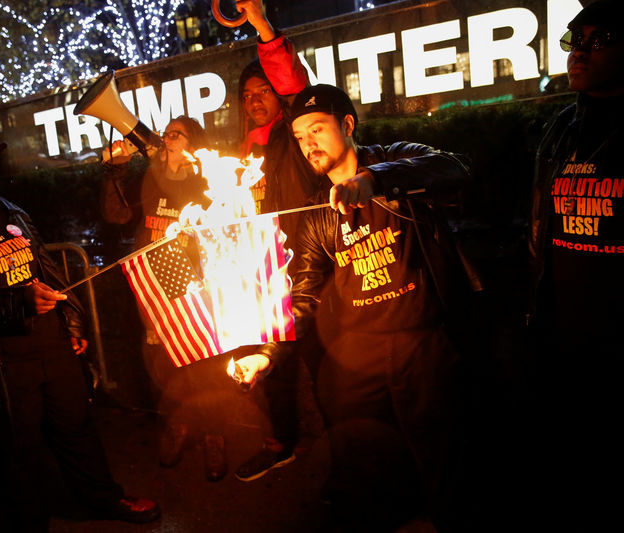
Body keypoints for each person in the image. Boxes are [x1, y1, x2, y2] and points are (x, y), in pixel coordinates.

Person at [0, 114, 160, 531]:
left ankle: (103, 498)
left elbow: (47, 269)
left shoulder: (5, 208)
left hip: (51, 345)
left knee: (77, 428)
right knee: (18, 451)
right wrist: (15, 302)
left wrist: (71, 321)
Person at [236, 84, 471, 531]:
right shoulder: (317, 211)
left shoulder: (396, 158)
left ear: (347, 125)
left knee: (445, 457)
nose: (308, 144)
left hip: (422, 342)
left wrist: (375, 180)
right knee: (368, 461)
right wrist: (267, 354)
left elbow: (456, 167)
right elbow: (302, 296)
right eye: (300, 135)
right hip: (360, 355)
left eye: (317, 129)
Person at [527, 0, 624, 529]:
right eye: (574, 39)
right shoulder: (561, 129)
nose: (580, 51)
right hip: (563, 332)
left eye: (599, 38)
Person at [101, 116, 231, 482]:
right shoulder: (149, 178)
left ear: (193, 144)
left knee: (205, 367)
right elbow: (117, 215)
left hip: (196, 288)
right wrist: (114, 173)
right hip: (156, 289)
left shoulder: (205, 179)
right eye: (167, 133)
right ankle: (178, 425)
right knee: (162, 364)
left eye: (177, 134)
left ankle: (213, 434)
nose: (167, 138)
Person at [233, 0, 329, 483]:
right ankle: (282, 443)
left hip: (311, 270)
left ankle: (349, 459)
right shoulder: (242, 151)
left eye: (263, 90)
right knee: (274, 370)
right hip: (263, 276)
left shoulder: (292, 135)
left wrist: (262, 26)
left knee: (328, 368)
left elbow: (297, 87)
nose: (254, 99)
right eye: (247, 93)